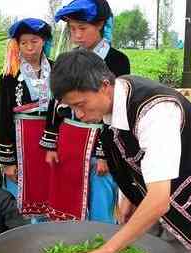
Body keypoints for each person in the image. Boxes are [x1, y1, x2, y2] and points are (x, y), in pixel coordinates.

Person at [50, 50, 191, 253]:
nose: (78, 114)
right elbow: (131, 155)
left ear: (104, 86)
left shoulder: (156, 112)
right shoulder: (114, 98)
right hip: (158, 190)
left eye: (80, 105)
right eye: (71, 107)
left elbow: (158, 201)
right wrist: (129, 197)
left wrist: (105, 251)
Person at [41, 0, 131, 224]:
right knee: (69, 196)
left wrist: (104, 153)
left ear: (100, 24)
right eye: (72, 29)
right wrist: (52, 142)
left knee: (101, 197)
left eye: (82, 28)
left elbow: (117, 107)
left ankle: (103, 242)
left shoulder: (117, 60)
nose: (77, 35)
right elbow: (56, 102)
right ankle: (72, 241)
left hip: (100, 137)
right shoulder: (67, 60)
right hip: (71, 139)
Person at [0, 18, 55, 221]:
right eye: (24, 42)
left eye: (34, 41)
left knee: (50, 187)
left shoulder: (56, 70)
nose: (29, 47)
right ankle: (19, 231)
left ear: (44, 41)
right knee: (20, 187)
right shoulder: (9, 75)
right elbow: (3, 117)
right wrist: (8, 160)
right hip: (22, 142)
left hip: (50, 141)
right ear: (17, 45)